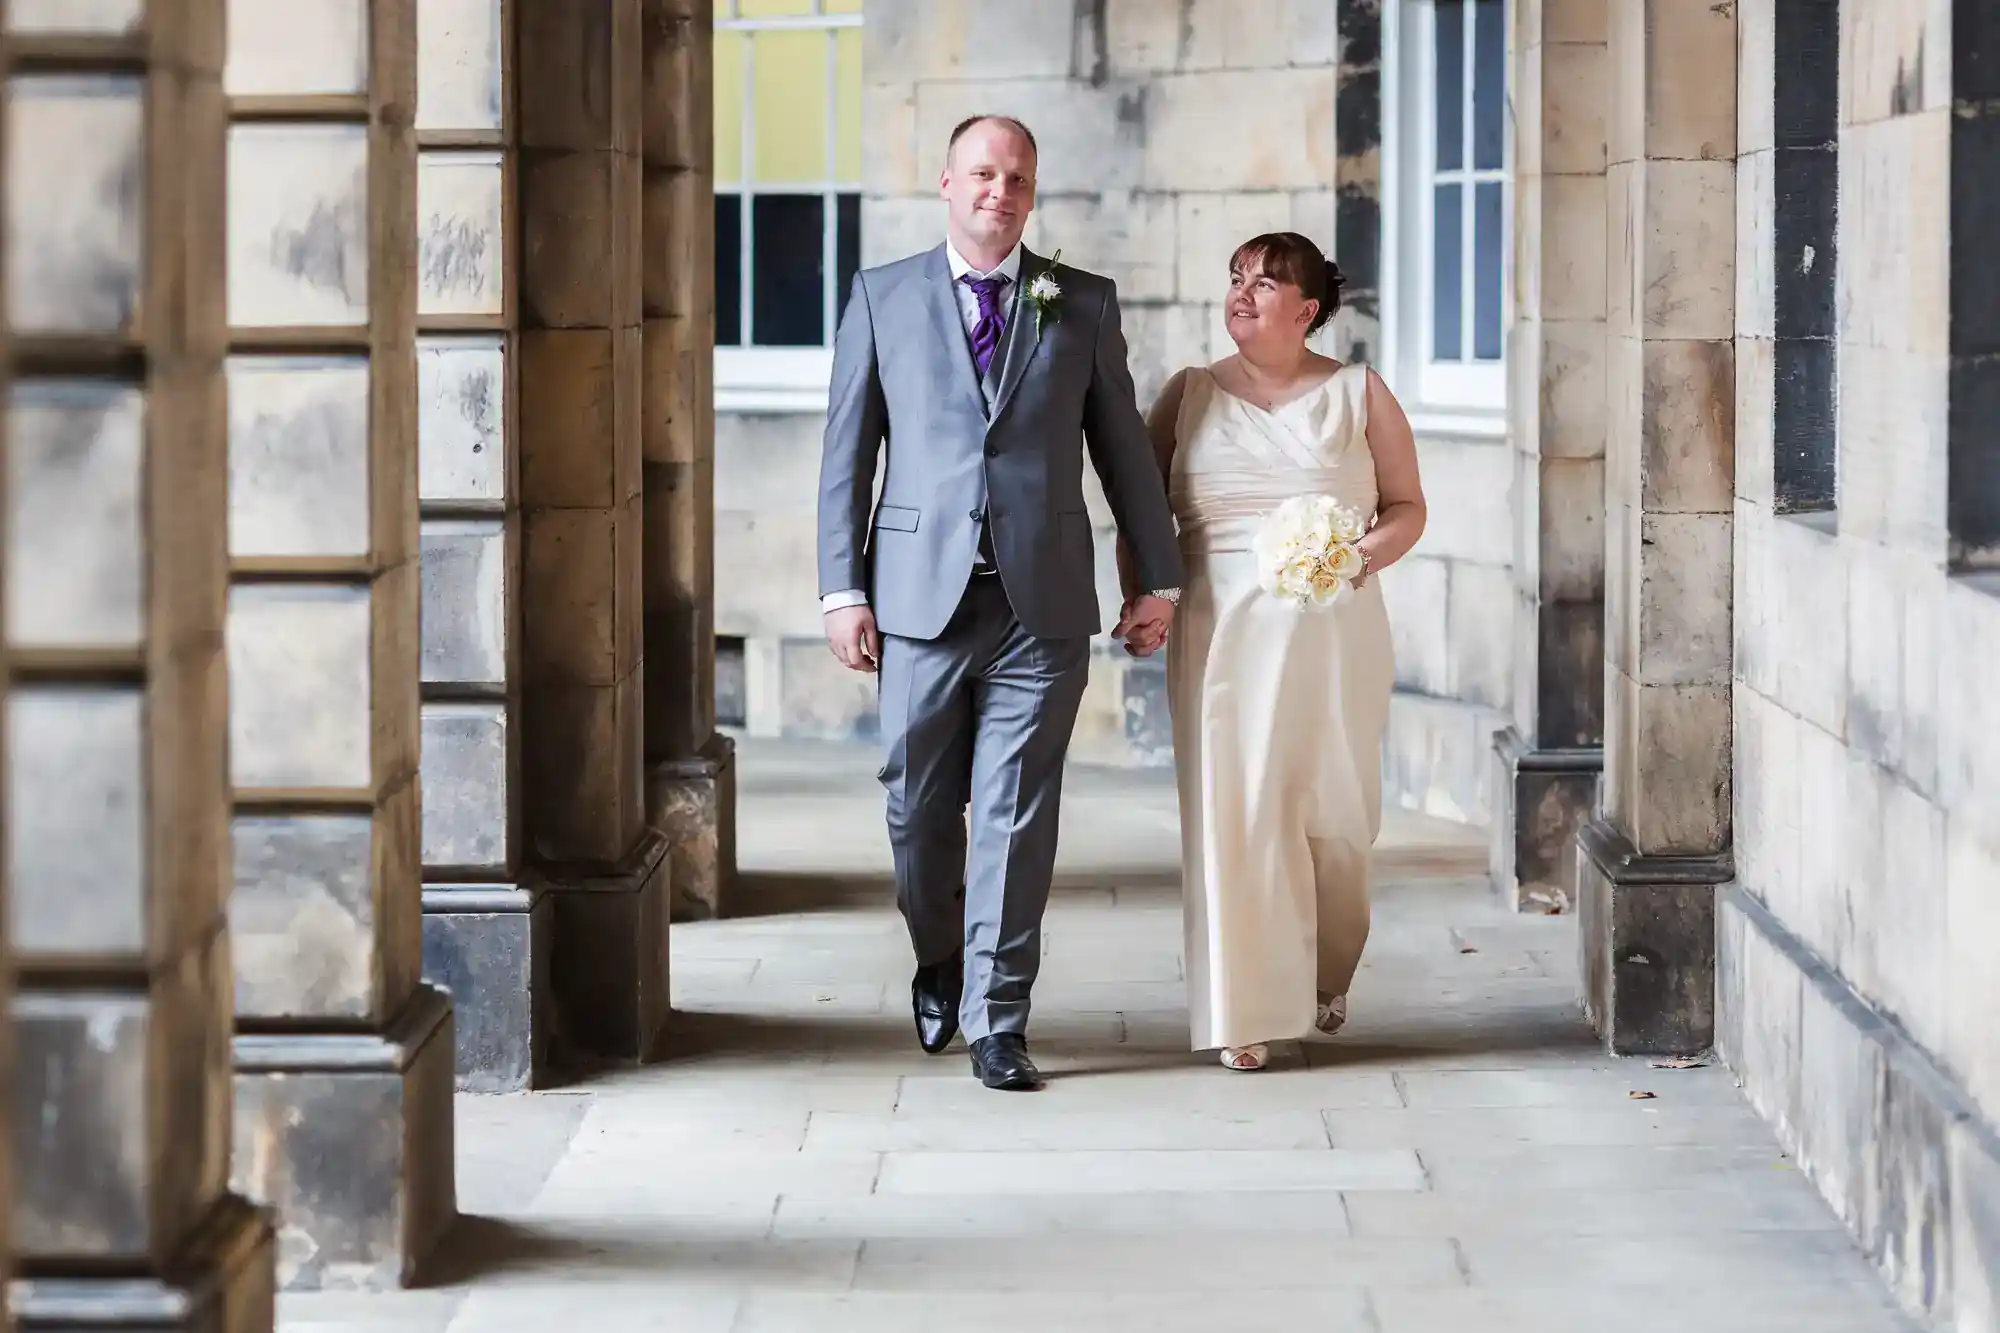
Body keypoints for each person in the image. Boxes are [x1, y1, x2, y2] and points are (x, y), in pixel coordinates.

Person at [817, 115, 1185, 1091]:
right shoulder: (880, 297)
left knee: (1018, 815)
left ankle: (996, 1016)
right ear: (945, 182)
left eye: (1017, 176)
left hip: (1042, 604)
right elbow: (846, 456)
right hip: (914, 601)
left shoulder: (1076, 301)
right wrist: (839, 588)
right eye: (983, 173)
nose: (1000, 190)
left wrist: (1157, 577)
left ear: (1030, 190)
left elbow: (1122, 454)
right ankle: (937, 949)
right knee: (914, 810)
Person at [1124, 232, 1426, 1072]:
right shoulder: (1187, 397)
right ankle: (1244, 1008)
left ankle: (1328, 965)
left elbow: (1405, 505)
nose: (1244, 293)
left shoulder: (1361, 394)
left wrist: (1354, 555)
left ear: (1308, 310)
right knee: (1236, 812)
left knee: (1338, 819)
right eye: (1236, 279)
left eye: (1266, 282)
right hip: (1220, 633)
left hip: (1335, 635)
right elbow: (1144, 513)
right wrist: (1144, 595)